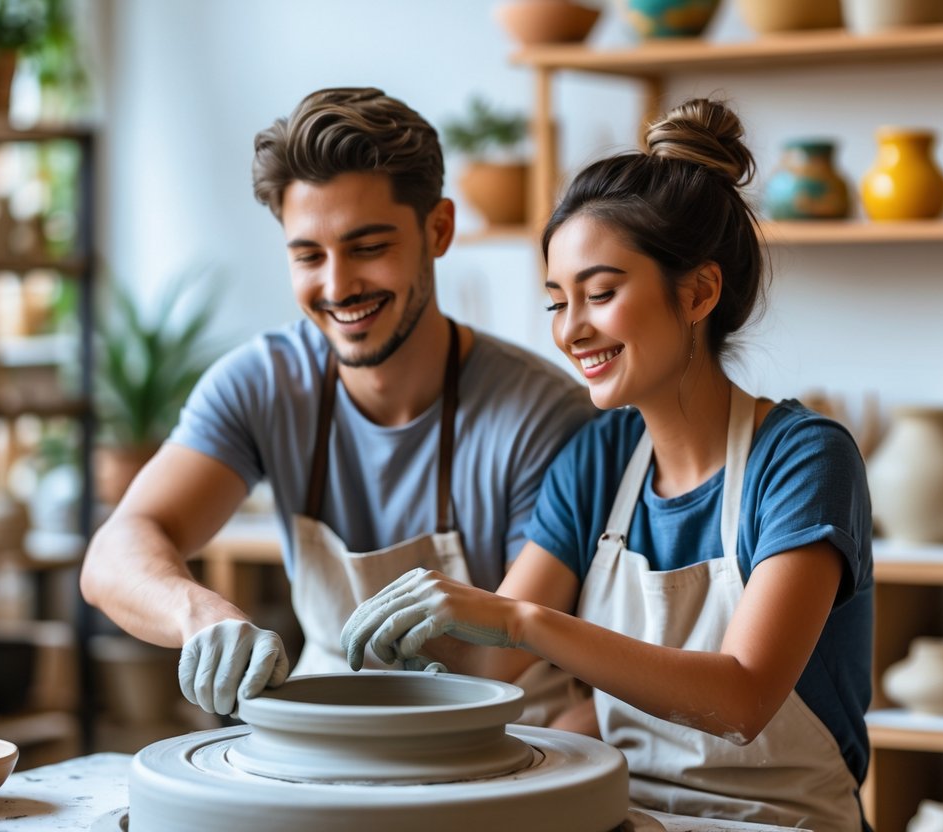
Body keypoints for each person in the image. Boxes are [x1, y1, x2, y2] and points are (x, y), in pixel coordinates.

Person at [342, 98, 873, 831]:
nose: (570, 330)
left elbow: (741, 699)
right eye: (557, 302)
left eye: (600, 294)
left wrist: (519, 620)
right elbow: (487, 664)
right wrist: (365, 651)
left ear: (697, 292)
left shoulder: (803, 459)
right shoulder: (597, 461)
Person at [79, 87, 596, 721]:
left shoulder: (543, 417)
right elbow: (115, 552)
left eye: (368, 247)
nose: (337, 285)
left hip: (506, 740)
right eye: (308, 256)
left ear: (438, 230)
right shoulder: (262, 383)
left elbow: (504, 658)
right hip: (325, 734)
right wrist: (200, 614)